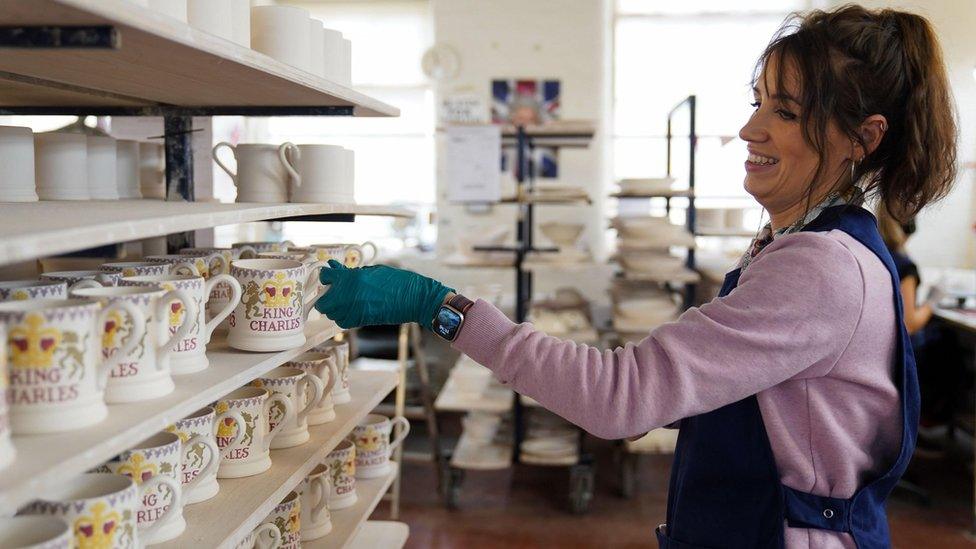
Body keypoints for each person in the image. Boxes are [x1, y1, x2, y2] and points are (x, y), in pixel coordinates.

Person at [315, 5, 957, 548]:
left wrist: (438, 306)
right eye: (758, 102)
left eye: (786, 113)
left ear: (862, 139)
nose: (749, 129)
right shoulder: (807, 243)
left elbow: (616, 401)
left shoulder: (820, 268)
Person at [877, 205, 961, 439]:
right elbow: (910, 324)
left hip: (879, 348)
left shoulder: (875, 253)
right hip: (904, 353)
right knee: (947, 339)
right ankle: (934, 416)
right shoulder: (905, 265)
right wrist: (933, 301)